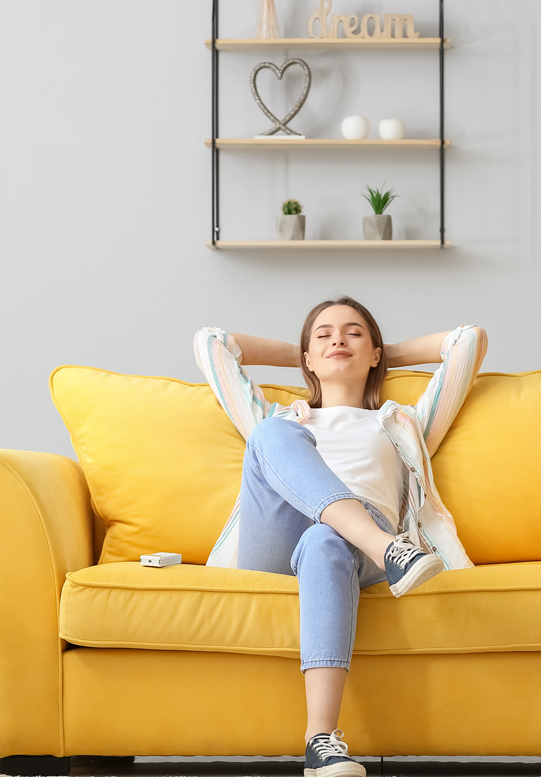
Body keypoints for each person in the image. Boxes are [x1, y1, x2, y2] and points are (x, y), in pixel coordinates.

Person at [194, 296, 487, 777]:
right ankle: (386, 548)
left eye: (353, 332)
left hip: (344, 554)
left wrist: (381, 349)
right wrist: (304, 353)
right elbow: (212, 343)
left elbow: (468, 341)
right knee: (268, 435)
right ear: (306, 357)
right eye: (323, 334)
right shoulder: (283, 419)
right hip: (281, 541)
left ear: (375, 354)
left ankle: (320, 743)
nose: (337, 339)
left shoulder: (402, 422)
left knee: (325, 540)